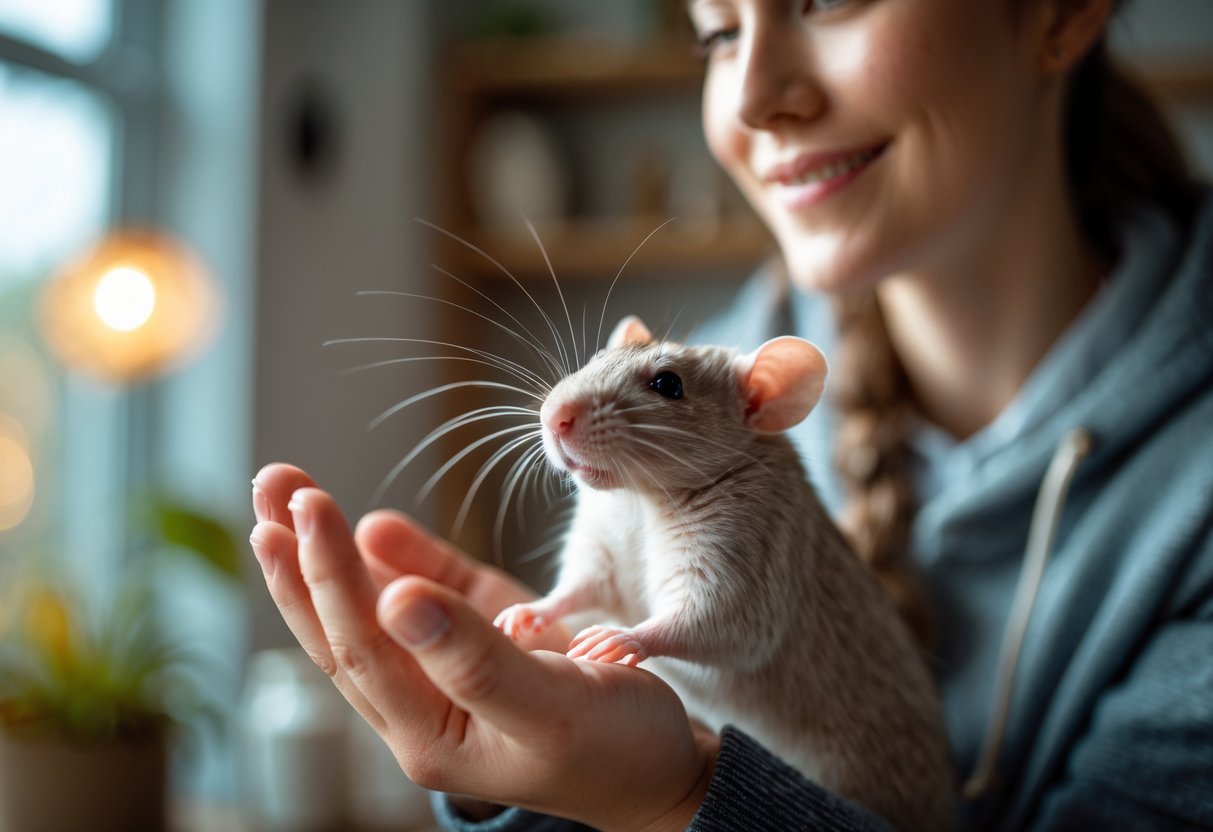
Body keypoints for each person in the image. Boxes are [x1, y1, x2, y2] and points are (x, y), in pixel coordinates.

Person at [249, 0, 1213, 828]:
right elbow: (619, 608)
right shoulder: (687, 388)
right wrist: (545, 789)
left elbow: (710, 646)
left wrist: (677, 798)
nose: (750, 97)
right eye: (714, 32)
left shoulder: (713, 410)